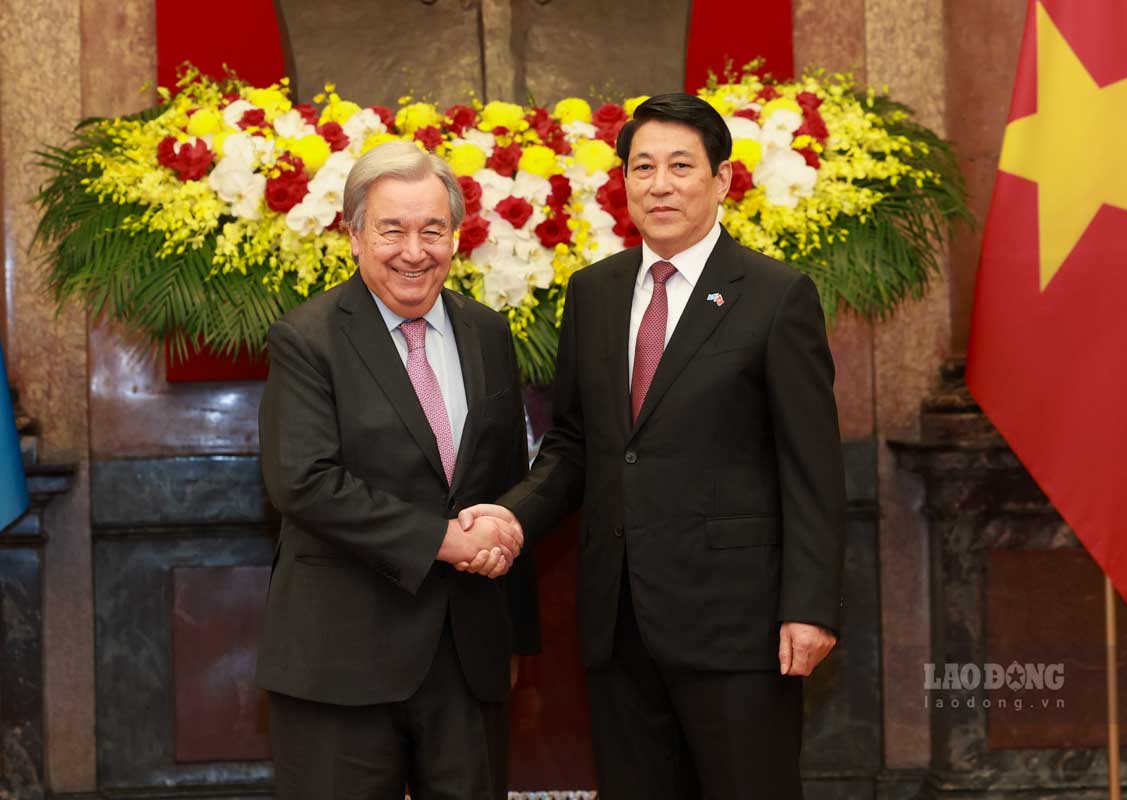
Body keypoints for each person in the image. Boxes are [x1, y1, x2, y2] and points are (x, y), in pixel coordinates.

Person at [463, 93, 847, 799]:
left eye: (680, 165)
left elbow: (812, 466)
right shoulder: (595, 293)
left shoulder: (774, 295)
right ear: (624, 183)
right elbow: (576, 444)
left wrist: (812, 605)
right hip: (619, 621)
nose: (659, 184)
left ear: (722, 180)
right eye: (643, 167)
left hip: (740, 625)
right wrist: (512, 516)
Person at [256, 140, 537, 800]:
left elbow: (502, 480)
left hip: (467, 662)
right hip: (341, 660)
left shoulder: (488, 332)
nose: (415, 251)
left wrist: (513, 639)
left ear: (456, 237)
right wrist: (444, 541)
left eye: (432, 230)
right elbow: (303, 481)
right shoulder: (307, 337)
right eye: (392, 230)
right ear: (354, 234)